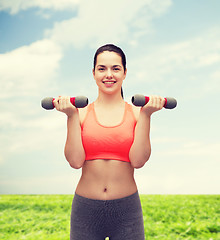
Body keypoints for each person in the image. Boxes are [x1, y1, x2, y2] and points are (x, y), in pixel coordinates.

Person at [53, 44, 165, 240]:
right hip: (86, 209)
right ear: (94, 73)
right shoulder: (80, 113)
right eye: (102, 68)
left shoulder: (138, 113)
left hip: (126, 210)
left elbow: (138, 161)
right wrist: (70, 116)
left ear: (125, 73)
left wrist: (147, 114)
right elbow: (75, 161)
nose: (109, 74)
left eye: (115, 68)